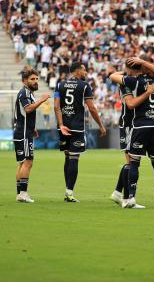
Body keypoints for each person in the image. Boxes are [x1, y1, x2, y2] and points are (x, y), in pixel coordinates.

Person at [110, 57, 154, 208]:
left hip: (137, 125)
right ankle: (123, 195)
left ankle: (125, 196)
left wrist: (137, 64)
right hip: (143, 125)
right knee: (151, 162)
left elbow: (113, 77)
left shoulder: (130, 81)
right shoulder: (152, 81)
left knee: (132, 162)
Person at [54, 62, 106, 202]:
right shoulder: (85, 86)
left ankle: (67, 189)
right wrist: (100, 125)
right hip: (77, 126)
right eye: (84, 70)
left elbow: (56, 107)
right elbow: (92, 108)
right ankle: (69, 192)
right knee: (74, 158)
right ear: (77, 72)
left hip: (63, 126)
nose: (86, 72)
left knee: (67, 157)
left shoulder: (59, 85)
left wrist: (60, 124)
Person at [13, 69, 50, 203]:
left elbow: (23, 113)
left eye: (36, 79)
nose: (35, 81)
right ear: (24, 81)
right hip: (23, 133)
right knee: (28, 162)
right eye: (32, 79)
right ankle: (23, 193)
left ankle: (19, 194)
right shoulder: (24, 93)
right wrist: (42, 100)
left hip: (23, 131)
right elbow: (28, 109)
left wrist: (32, 128)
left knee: (22, 162)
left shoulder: (27, 93)